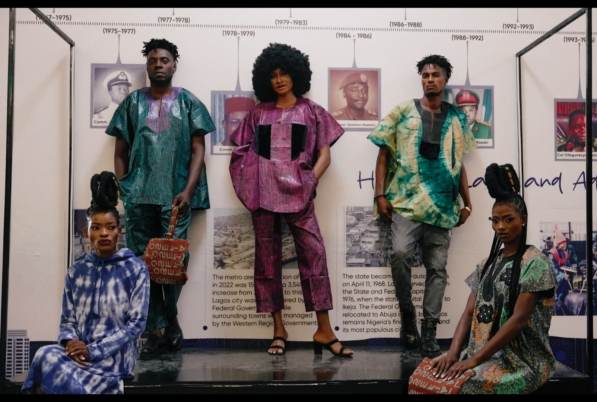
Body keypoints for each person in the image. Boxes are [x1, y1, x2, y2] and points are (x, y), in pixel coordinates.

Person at [228, 43, 351, 357]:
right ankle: (278, 329)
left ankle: (324, 330)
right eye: (273, 75)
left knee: (315, 255)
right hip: (263, 196)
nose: (279, 79)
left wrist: (309, 181)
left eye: (284, 73)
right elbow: (240, 152)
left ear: (296, 74)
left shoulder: (312, 111)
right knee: (267, 262)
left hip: (300, 195)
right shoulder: (258, 113)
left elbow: (325, 155)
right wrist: (253, 182)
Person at [107, 38, 215, 358]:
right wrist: (126, 188)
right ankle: (155, 330)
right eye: (153, 60)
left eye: (164, 60)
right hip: (139, 198)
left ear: (174, 65)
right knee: (145, 264)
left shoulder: (188, 102)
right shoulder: (132, 103)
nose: (158, 64)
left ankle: (170, 316)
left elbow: (198, 150)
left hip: (175, 196)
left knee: (174, 262)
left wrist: (188, 190)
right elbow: (120, 152)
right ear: (147, 66)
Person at [368, 54, 476, 356]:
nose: (430, 79)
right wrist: (380, 195)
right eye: (426, 75)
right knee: (400, 254)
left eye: (435, 75)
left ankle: (429, 331)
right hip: (405, 203)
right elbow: (383, 154)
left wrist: (468, 204)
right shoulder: (402, 111)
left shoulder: (456, 118)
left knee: (437, 269)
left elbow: (459, 163)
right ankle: (407, 315)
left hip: (442, 206)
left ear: (445, 79)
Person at [428, 163, 557, 394]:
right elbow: (469, 312)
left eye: (508, 219)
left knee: (465, 385)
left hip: (522, 360)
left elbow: (519, 319)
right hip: (483, 353)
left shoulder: (535, 263)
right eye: (495, 220)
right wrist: (454, 353)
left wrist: (474, 360)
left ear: (524, 220)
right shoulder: (486, 264)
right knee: (431, 375)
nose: (500, 227)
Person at [21, 172, 150, 394]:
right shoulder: (76, 271)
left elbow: (136, 324)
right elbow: (68, 320)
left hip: (114, 357)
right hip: (79, 354)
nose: (104, 233)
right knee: (44, 354)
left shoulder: (136, 269)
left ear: (119, 232)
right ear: (86, 232)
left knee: (54, 379)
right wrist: (71, 343)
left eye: (110, 227)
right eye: (96, 227)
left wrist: (94, 351)